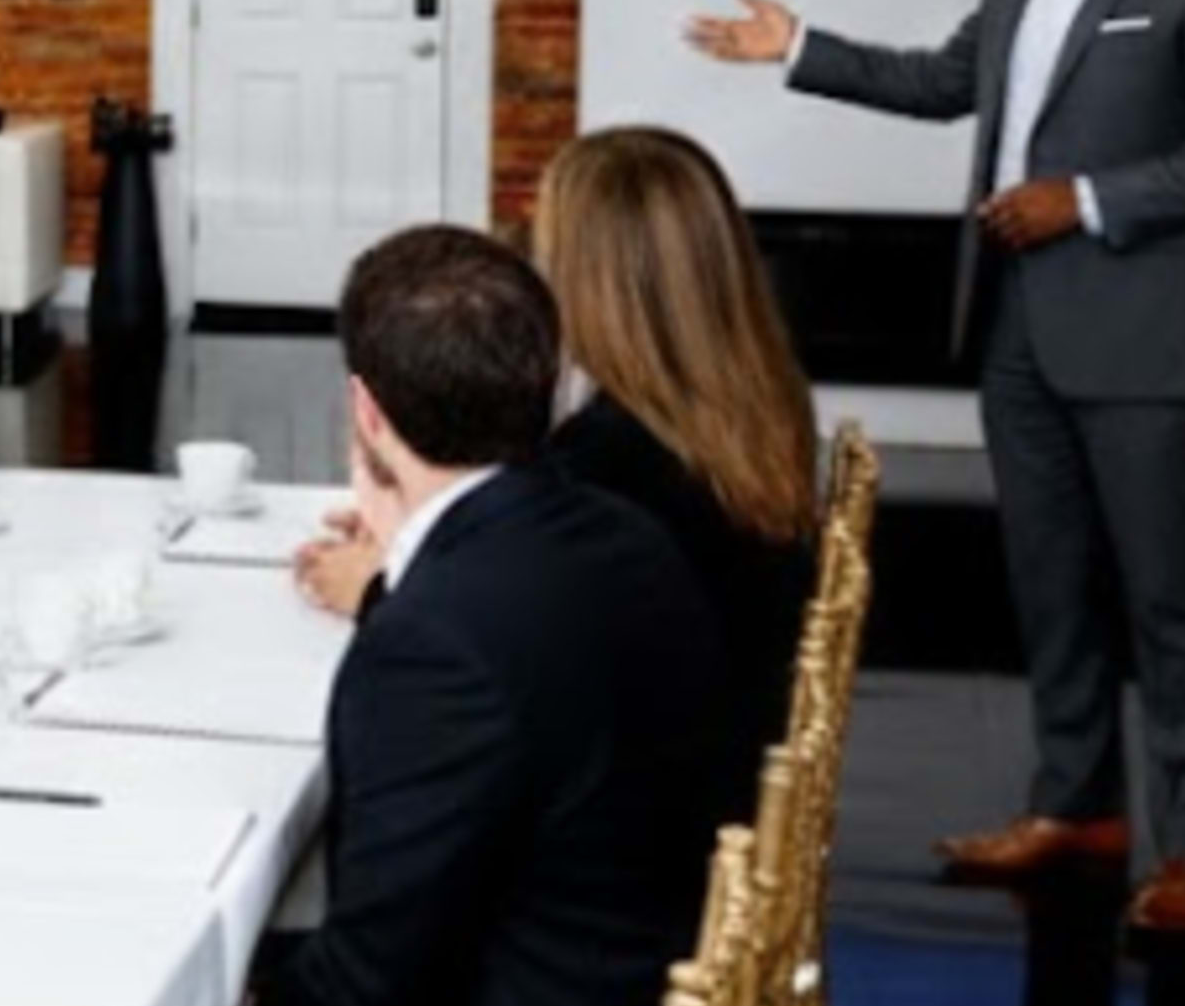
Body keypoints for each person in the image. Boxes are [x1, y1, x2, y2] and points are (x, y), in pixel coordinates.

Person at [688, 0, 1185, 940]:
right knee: (1050, 586)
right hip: (1014, 321)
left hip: (1142, 330)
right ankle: (1076, 808)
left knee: (1169, 600)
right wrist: (800, 50)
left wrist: (1087, 197)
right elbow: (943, 81)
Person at [193, 224, 721, 1006]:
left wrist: (229, 992)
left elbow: (369, 989)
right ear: (550, 380)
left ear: (365, 411)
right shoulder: (624, 537)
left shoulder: (435, 643)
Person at [298, 133, 818, 834]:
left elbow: (518, 648)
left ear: (584, 280)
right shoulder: (746, 413)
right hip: (718, 792)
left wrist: (379, 586)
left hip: (635, 833)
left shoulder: (610, 465)